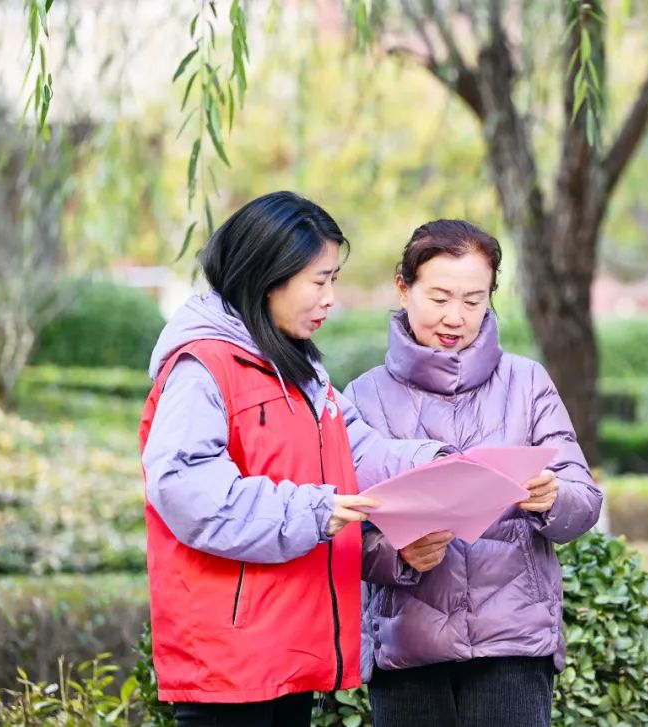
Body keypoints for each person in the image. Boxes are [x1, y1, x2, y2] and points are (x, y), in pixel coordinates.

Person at [139, 192, 450, 727]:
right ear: (267, 274)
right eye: (319, 280)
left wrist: (444, 464)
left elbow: (360, 452)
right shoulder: (202, 368)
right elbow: (189, 492)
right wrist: (314, 511)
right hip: (229, 665)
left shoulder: (300, 370)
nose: (331, 298)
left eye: (334, 279)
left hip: (286, 653)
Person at [344, 219, 604, 727]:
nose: (455, 317)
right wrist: (396, 556)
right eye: (439, 298)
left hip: (513, 647)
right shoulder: (362, 396)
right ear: (404, 288)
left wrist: (554, 497)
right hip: (407, 648)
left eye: (473, 299)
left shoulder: (528, 383)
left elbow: (585, 501)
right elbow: (339, 526)